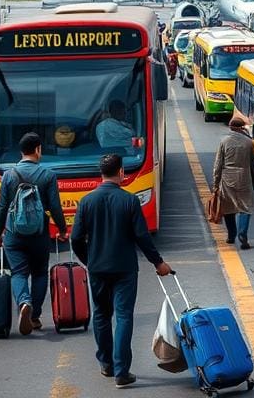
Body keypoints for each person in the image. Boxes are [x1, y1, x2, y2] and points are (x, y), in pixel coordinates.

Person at [71, 154, 172, 388]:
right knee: (124, 316)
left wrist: (89, 260)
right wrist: (158, 263)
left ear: (101, 173)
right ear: (121, 173)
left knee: (101, 315)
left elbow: (76, 238)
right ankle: (121, 371)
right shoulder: (129, 201)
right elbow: (142, 236)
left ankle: (105, 363)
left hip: (97, 269)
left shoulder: (86, 201)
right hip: (125, 269)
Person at [0, 132, 67, 336]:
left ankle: (24, 302)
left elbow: (2, 207)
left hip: (14, 234)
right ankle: (34, 316)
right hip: (39, 234)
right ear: (38, 150)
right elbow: (54, 206)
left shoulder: (9, 175)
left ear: (21, 151)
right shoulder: (48, 175)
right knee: (40, 272)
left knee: (18, 272)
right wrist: (62, 229)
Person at [213, 118, 254, 249]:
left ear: (230, 127)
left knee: (228, 207)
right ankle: (242, 233)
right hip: (244, 176)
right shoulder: (249, 142)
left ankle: (231, 235)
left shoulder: (224, 142)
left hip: (227, 177)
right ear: (242, 127)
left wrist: (216, 184)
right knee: (245, 207)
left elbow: (218, 165)